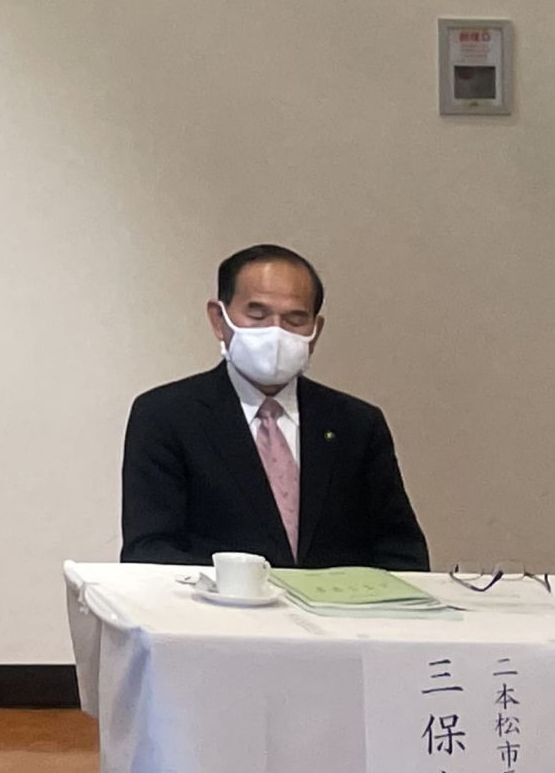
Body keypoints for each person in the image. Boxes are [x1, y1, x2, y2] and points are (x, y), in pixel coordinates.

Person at [120, 242, 427, 570]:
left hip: (341, 603)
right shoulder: (165, 416)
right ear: (219, 319)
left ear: (315, 331)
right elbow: (150, 551)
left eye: (295, 319)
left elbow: (402, 551)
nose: (275, 332)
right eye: (257, 314)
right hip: (214, 602)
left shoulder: (357, 424)